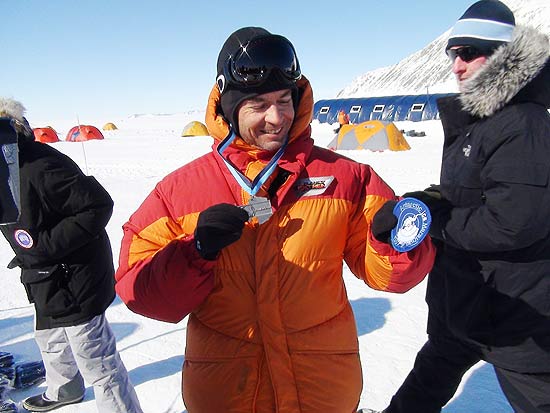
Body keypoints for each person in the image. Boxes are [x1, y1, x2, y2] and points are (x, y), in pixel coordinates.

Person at [115, 27, 436, 413]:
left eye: (284, 100)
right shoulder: (179, 191)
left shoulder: (348, 178)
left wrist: (391, 240)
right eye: (258, 104)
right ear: (229, 106)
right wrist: (194, 253)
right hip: (227, 395)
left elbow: (393, 276)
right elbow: (141, 294)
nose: (276, 117)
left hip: (322, 393)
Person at [368, 1, 550, 412]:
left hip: (513, 312)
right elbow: (471, 192)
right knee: (430, 377)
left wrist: (436, 220)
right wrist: (420, 204)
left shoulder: (524, 123)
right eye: (453, 54)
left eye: (469, 52)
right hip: (466, 300)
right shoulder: (485, 120)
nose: (457, 65)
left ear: (505, 56)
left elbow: (512, 222)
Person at [0, 98, 143, 413]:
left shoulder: (41, 166)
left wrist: (44, 247)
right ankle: (64, 389)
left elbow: (97, 205)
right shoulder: (3, 169)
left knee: (96, 359)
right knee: (49, 339)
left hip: (76, 275)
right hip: (42, 275)